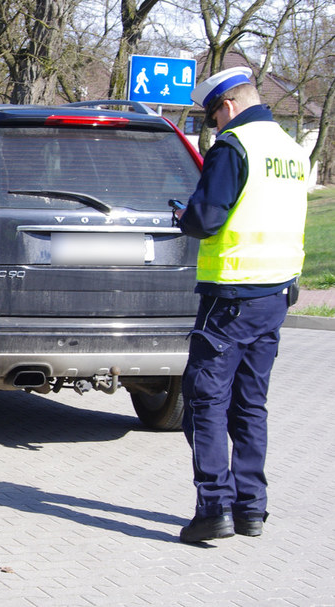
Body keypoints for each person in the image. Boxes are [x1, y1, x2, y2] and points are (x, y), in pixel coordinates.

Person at [174, 66, 309, 543]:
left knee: (205, 403)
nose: (214, 127)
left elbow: (207, 219)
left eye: (212, 118)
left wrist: (183, 216)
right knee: (251, 405)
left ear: (227, 107)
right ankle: (252, 508)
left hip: (229, 297)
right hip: (274, 295)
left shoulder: (234, 147)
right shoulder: (291, 152)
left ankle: (214, 509)